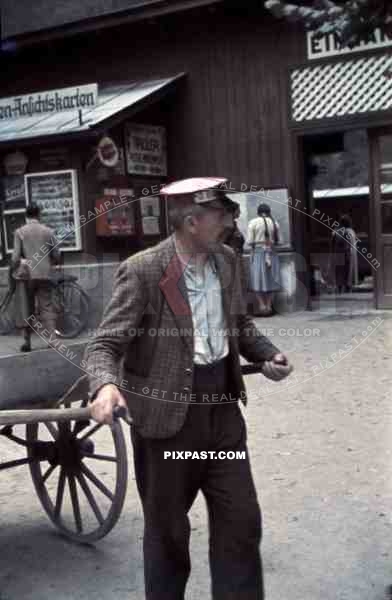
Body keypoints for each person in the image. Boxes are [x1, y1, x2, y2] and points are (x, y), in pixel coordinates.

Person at [85, 177, 293, 600]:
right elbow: (106, 342)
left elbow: (240, 325)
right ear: (191, 221)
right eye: (221, 214)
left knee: (241, 523)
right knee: (168, 537)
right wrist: (105, 385)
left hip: (221, 415)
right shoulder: (145, 270)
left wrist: (267, 355)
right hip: (165, 425)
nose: (230, 220)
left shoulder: (228, 261)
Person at [11, 203, 60, 352]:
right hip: (45, 274)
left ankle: (27, 342)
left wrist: (14, 269)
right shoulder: (48, 231)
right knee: (46, 306)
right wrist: (51, 262)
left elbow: (15, 257)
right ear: (39, 215)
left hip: (27, 276)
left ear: (26, 216)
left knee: (27, 307)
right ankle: (52, 340)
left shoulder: (20, 232)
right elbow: (56, 254)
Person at [247, 203, 281, 316]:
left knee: (257, 279)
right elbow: (279, 241)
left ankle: (262, 305)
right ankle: (269, 305)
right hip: (272, 252)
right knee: (272, 278)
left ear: (258, 211)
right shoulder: (275, 223)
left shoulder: (253, 222)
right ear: (269, 211)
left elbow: (249, 241)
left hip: (257, 252)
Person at [329, 214, 357, 294]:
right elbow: (353, 245)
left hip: (337, 253)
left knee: (338, 271)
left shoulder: (335, 231)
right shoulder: (351, 232)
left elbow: (332, 244)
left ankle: (339, 287)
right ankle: (347, 286)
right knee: (347, 271)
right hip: (347, 253)